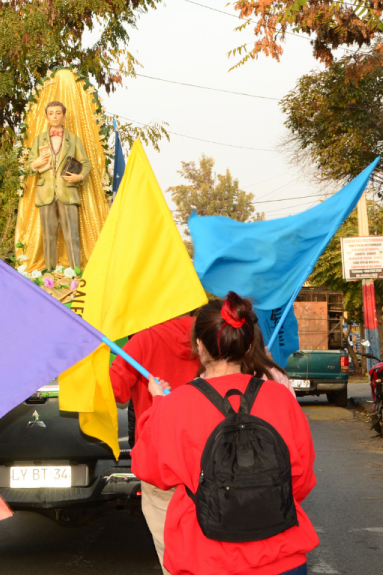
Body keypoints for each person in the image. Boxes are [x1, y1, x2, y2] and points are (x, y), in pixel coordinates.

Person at [133, 293, 318, 575]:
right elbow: (302, 480)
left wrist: (158, 403)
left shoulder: (175, 405)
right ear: (247, 344)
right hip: (281, 556)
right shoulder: (280, 398)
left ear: (199, 345)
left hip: (206, 559)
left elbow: (148, 469)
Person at [109, 314, 202, 574]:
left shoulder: (144, 340)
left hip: (160, 462)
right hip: (207, 458)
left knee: (170, 551)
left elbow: (115, 389)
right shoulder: (209, 332)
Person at [26, 100, 91, 271]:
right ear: (46, 117)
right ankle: (50, 272)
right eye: (51, 113)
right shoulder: (39, 139)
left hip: (67, 192)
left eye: (58, 113)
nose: (54, 116)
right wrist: (36, 163)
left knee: (72, 236)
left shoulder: (74, 140)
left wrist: (80, 177)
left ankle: (75, 272)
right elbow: (29, 167)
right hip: (46, 192)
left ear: (64, 115)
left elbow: (86, 163)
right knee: (48, 236)